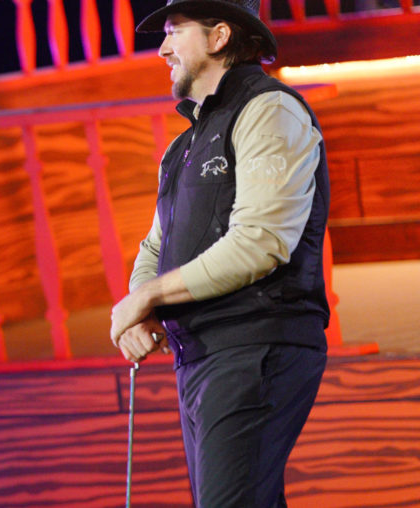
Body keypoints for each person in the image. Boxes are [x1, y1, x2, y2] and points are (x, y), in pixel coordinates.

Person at [109, 1, 329, 506]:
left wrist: (147, 300)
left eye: (173, 33)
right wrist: (144, 305)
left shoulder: (269, 110)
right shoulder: (183, 145)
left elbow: (261, 242)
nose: (162, 49)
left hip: (256, 346)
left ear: (219, 37)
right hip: (203, 356)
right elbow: (155, 245)